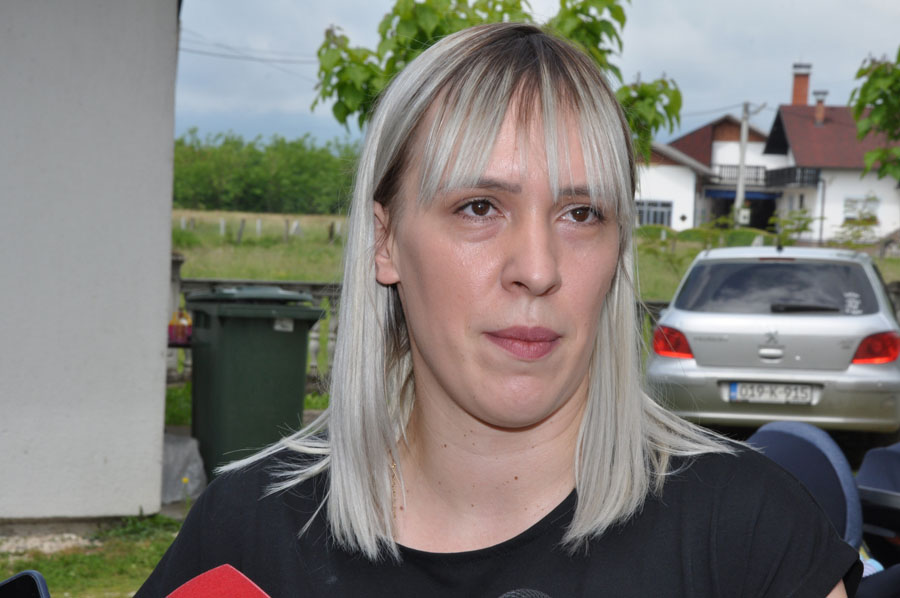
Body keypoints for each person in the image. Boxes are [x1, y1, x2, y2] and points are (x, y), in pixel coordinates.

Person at [138, 23, 861, 597]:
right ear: (385, 241)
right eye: (480, 207)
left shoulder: (748, 537)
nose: (538, 270)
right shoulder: (247, 540)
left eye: (581, 214)